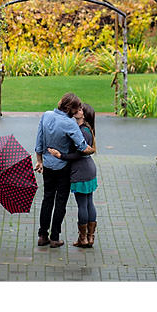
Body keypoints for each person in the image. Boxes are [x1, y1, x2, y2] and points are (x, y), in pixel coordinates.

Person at [34, 92, 94, 248]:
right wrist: (92, 150)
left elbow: (39, 141)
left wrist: (39, 160)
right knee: (60, 202)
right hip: (63, 167)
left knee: (47, 199)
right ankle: (55, 238)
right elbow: (82, 147)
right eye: (77, 108)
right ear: (71, 108)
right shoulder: (70, 123)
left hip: (47, 165)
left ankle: (42, 235)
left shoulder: (46, 115)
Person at [48, 102, 98, 248]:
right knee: (89, 203)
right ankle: (90, 237)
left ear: (85, 114)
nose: (77, 110)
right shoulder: (87, 130)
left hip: (80, 170)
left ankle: (83, 239)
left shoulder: (82, 131)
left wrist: (60, 155)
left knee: (83, 204)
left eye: (81, 109)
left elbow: (77, 154)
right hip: (88, 168)